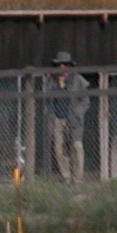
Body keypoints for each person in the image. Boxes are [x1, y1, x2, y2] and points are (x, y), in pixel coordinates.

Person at [43, 50, 87, 181]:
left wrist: (77, 114)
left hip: (73, 118)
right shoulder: (51, 81)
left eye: (65, 64)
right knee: (58, 148)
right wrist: (49, 115)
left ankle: (77, 178)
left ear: (69, 66)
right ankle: (66, 177)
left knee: (76, 146)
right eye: (59, 65)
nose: (62, 67)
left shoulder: (78, 79)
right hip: (57, 118)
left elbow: (85, 101)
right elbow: (47, 100)